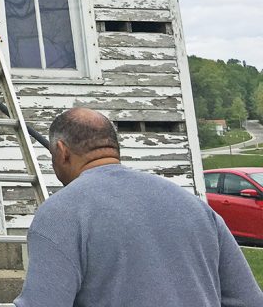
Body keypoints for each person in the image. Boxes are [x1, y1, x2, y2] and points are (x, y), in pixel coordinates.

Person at [14, 107, 263, 307]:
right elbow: (249, 300)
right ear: (113, 147)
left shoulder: (61, 214)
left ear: (61, 151)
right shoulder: (196, 208)